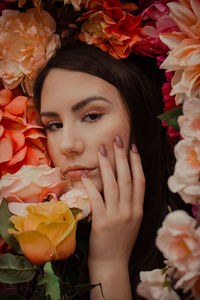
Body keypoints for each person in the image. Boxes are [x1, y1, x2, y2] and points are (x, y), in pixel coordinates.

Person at [33, 41, 190, 300]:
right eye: (54, 125)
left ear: (142, 118)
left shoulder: (190, 243)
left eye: (92, 116)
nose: (68, 145)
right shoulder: (39, 252)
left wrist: (108, 263)